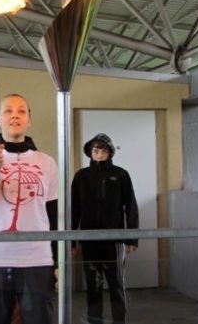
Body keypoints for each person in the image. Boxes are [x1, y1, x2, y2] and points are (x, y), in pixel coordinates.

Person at [0, 93, 58, 324]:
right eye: (8, 111)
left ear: (29, 120)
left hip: (36, 259)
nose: (15, 115)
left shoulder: (46, 162)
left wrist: (56, 261)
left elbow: (52, 214)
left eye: (21, 111)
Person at [71, 133, 139, 324]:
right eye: (95, 150)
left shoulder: (121, 175)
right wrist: (72, 241)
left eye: (102, 149)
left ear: (109, 152)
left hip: (114, 240)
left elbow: (131, 207)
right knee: (93, 286)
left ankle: (119, 321)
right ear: (90, 152)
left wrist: (132, 238)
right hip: (90, 240)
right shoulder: (81, 176)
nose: (99, 153)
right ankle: (95, 321)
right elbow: (74, 209)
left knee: (116, 284)